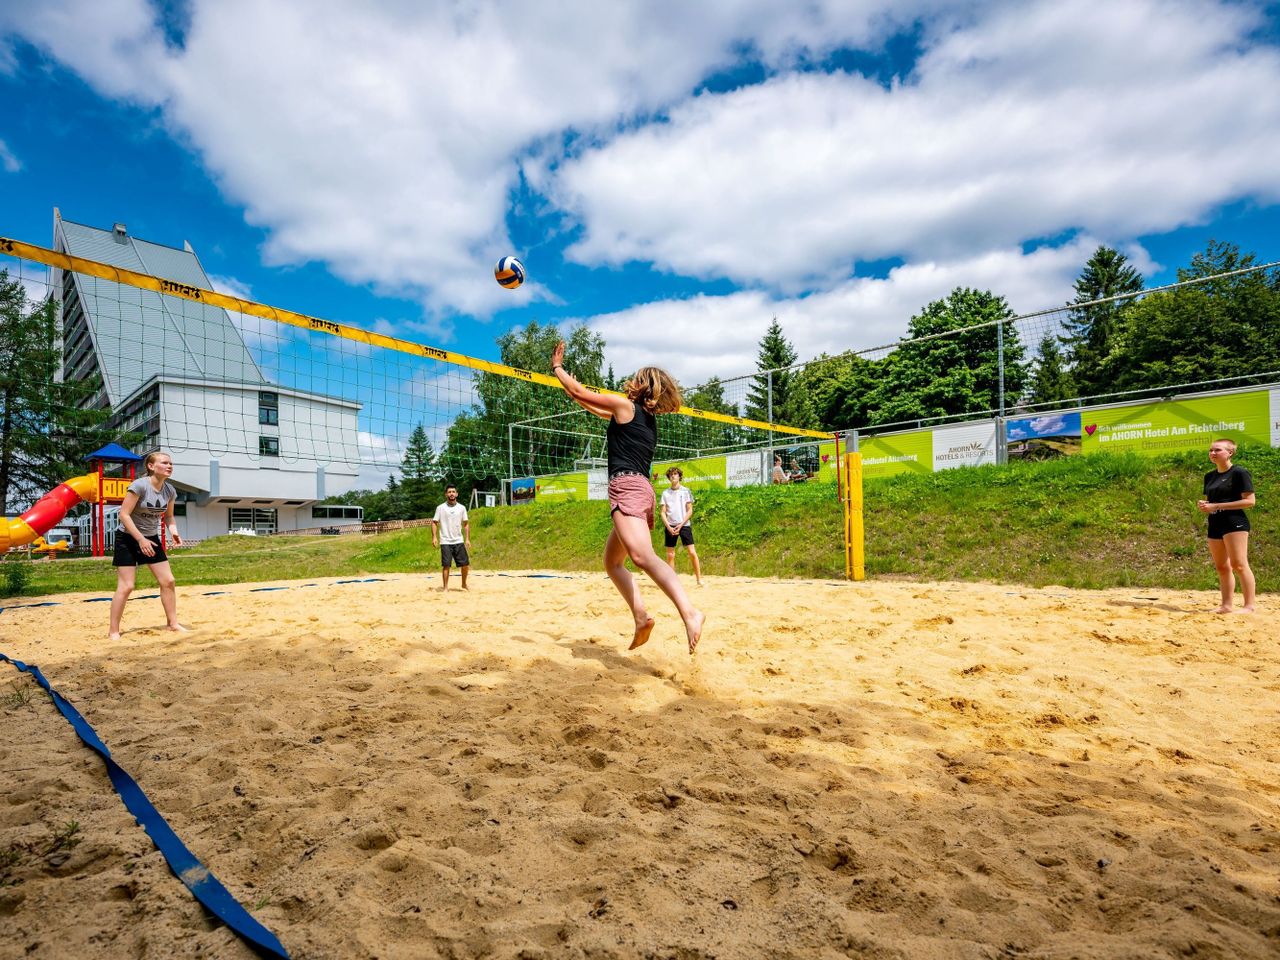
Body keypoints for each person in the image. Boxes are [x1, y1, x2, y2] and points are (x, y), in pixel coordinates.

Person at [552, 341, 705, 653]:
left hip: (627, 488)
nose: (631, 380)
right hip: (641, 491)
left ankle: (690, 612)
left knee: (642, 557)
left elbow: (583, 394)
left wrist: (557, 368)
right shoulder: (643, 419)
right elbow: (587, 403)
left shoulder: (626, 407)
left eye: (636, 377)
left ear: (642, 385)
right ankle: (641, 618)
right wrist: (569, 386)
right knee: (612, 562)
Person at [108, 451, 185, 641]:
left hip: (151, 538)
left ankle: (172, 624)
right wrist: (140, 540)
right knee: (127, 586)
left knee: (168, 581)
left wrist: (173, 532)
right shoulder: (139, 485)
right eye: (164, 462)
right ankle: (113, 630)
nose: (169, 466)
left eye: (171, 463)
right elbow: (124, 515)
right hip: (127, 538)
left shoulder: (170, 491)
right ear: (151, 466)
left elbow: (168, 516)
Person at [1197, 438, 1256, 613]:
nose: (1212, 453)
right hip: (1215, 522)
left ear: (1230, 453)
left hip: (1234, 521)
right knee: (1222, 566)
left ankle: (1249, 606)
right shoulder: (1209, 476)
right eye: (1211, 450)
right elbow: (1212, 501)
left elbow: (1250, 501)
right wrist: (1206, 505)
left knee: (1239, 564)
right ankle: (1226, 605)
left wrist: (1217, 506)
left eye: (1217, 450)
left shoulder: (1239, 472)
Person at [660, 466, 702, 586]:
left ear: (679, 476)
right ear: (669, 478)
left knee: (692, 552)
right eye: (671, 474)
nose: (673, 476)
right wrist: (668, 527)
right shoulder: (665, 493)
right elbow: (663, 512)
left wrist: (681, 524)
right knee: (670, 554)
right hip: (670, 525)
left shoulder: (686, 491)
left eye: (675, 474)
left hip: (684, 525)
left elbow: (690, 510)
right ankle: (673, 582)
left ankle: (699, 579)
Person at [431, 484, 471, 590]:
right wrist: (434, 537)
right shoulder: (440, 508)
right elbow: (434, 522)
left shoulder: (462, 508)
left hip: (458, 540)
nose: (451, 493)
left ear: (456, 494)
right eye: (449, 492)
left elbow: (466, 524)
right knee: (446, 565)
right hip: (445, 541)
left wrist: (467, 539)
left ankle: (464, 584)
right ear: (446, 494)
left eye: (453, 491)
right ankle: (445, 587)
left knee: (465, 564)